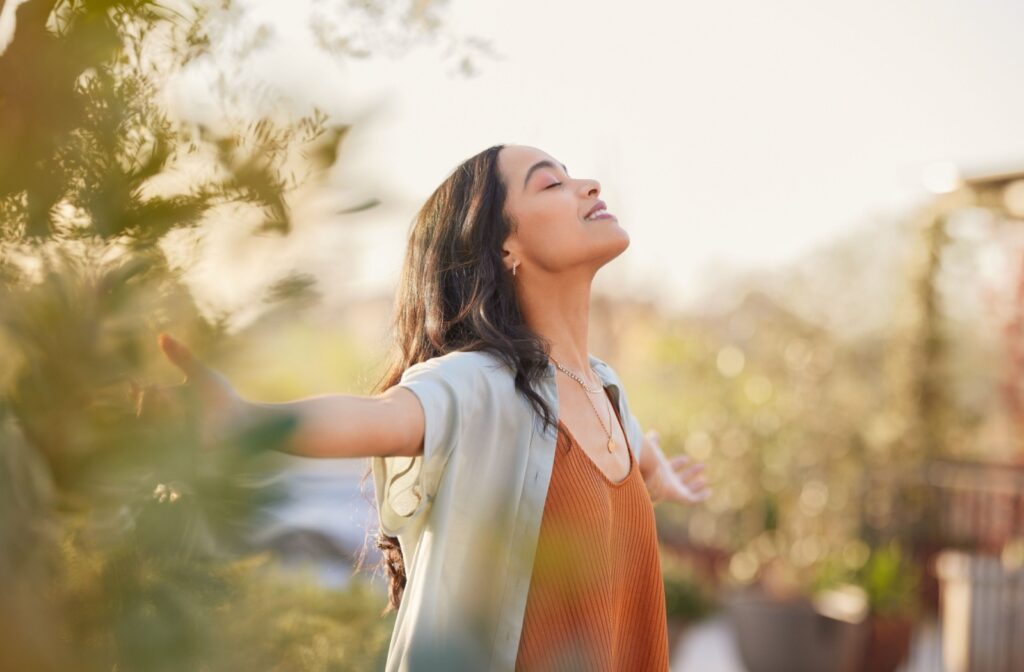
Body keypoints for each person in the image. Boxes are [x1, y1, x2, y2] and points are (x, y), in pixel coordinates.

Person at [157, 144, 711, 671]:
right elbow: (380, 419)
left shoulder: (606, 391)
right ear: (504, 248)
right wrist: (245, 421)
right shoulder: (480, 384)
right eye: (552, 183)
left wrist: (657, 474)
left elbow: (631, 450)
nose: (589, 186)